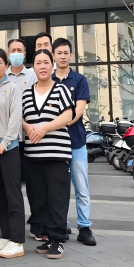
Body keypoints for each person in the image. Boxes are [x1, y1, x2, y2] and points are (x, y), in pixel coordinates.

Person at [23, 49, 75, 260]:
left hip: (56, 155)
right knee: (39, 200)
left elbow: (68, 115)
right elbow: (19, 116)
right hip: (33, 157)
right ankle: (47, 237)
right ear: (33, 67)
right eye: (38, 63)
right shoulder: (27, 93)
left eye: (46, 62)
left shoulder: (61, 89)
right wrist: (26, 126)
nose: (42, 66)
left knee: (57, 198)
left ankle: (58, 240)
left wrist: (44, 128)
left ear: (52, 65)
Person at [52, 38, 96, 246]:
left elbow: (78, 110)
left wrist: (58, 121)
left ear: (71, 55)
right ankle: (62, 225)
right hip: (54, 144)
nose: (62, 56)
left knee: (81, 188)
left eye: (65, 53)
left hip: (76, 142)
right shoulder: (48, 79)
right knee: (58, 189)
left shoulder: (79, 80)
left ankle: (84, 227)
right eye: (59, 53)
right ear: (53, 55)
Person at [0, 48, 26, 259]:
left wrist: (5, 142)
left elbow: (15, 119)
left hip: (8, 147)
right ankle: (6, 235)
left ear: (6, 65)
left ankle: (17, 240)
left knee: (13, 194)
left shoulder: (12, 88)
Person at [5, 38, 39, 238]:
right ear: (8, 53)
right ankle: (11, 225)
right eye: (13, 50)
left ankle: (36, 222)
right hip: (10, 141)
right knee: (11, 186)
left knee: (34, 185)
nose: (16, 53)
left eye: (20, 50)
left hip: (30, 139)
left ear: (25, 54)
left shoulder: (33, 75)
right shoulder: (3, 76)